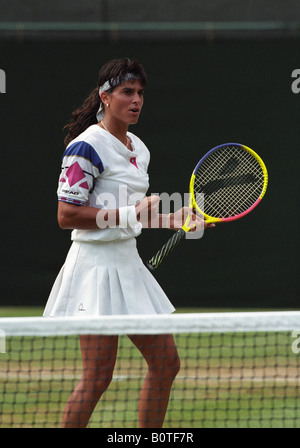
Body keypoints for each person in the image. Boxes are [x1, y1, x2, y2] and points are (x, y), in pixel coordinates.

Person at [43, 58, 206, 428]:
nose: (136, 100)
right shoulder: (86, 147)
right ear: (105, 96)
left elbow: (132, 217)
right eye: (127, 92)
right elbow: (66, 216)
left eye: (140, 93)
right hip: (94, 267)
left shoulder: (139, 149)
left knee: (166, 364)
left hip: (128, 263)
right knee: (98, 377)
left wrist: (169, 219)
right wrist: (131, 212)